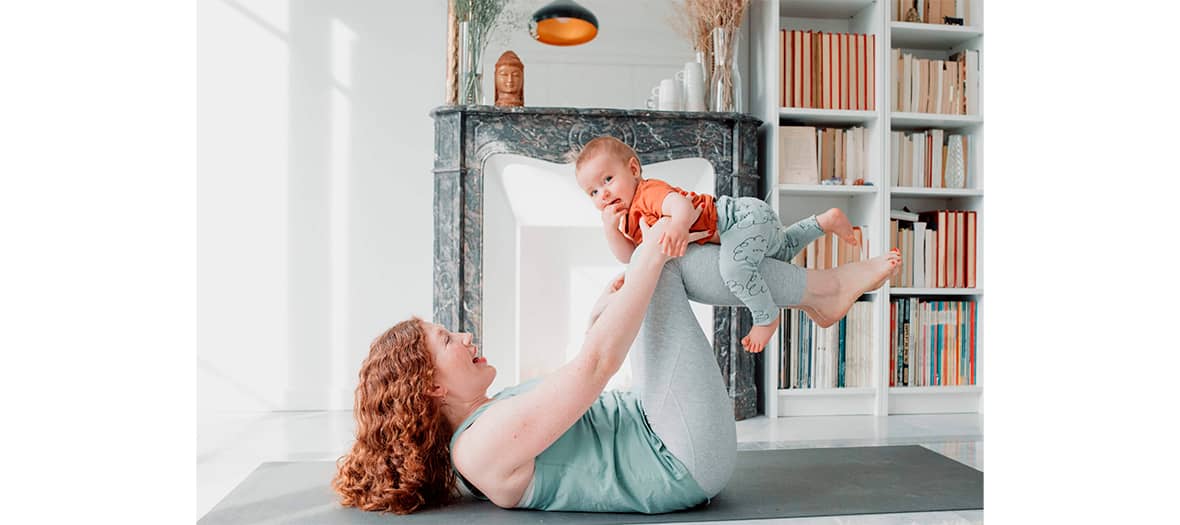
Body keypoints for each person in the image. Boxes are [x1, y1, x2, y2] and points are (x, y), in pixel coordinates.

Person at [332, 218, 901, 515]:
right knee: (663, 267)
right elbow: (596, 366)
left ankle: (815, 290)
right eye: (446, 339)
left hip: (657, 425)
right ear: (430, 385)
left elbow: (585, 387)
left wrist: (617, 294)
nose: (465, 335)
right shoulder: (475, 450)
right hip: (680, 457)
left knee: (656, 268)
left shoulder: (488, 421)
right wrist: (647, 251)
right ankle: (822, 291)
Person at [574, 135, 891, 353]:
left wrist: (679, 227)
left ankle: (766, 318)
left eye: (607, 180)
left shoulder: (648, 193)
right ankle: (823, 222)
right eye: (593, 192)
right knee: (779, 252)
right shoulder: (628, 219)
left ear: (632, 169)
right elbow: (631, 258)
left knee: (735, 267)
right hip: (743, 227)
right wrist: (609, 229)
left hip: (739, 218)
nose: (603, 193)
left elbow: (682, 206)